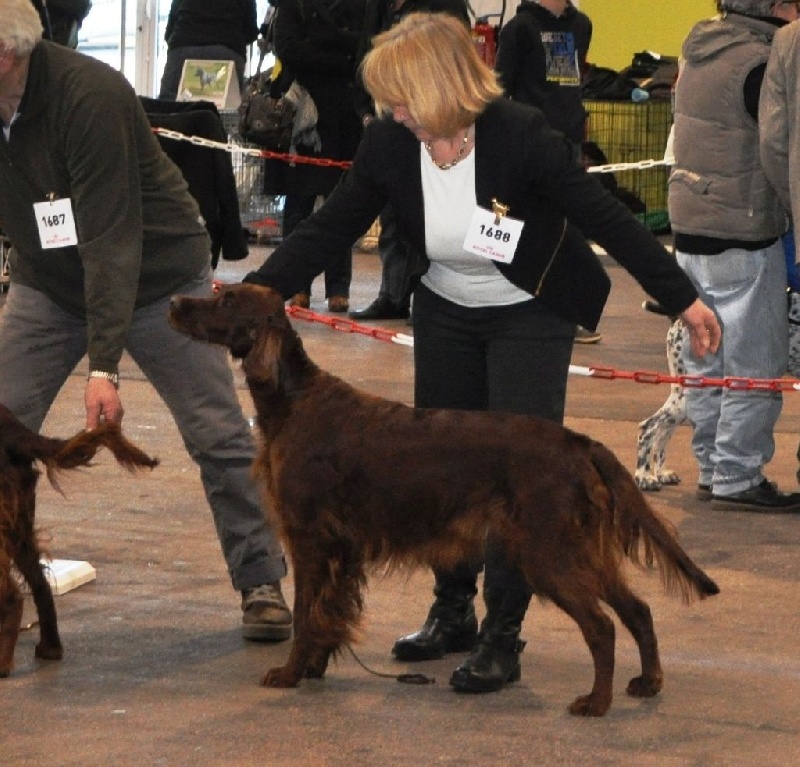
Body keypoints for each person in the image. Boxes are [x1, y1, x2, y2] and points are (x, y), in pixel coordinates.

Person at [243, 13, 721, 694]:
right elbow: (329, 228)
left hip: (530, 310)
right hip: (445, 308)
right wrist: (257, 293)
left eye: (401, 98)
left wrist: (683, 297)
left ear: (439, 87)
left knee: (518, 483)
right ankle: (452, 612)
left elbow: (604, 217)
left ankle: (504, 632)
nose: (392, 111)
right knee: (442, 474)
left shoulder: (519, 135)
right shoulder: (388, 143)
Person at [0, 0, 292, 641]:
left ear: (8, 56)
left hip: (157, 276)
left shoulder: (89, 97)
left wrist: (104, 366)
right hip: (48, 283)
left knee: (218, 434)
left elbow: (112, 239)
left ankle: (261, 577)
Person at [669, 0, 800, 512]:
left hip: (691, 222)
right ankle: (737, 474)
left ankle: (712, 465)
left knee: (706, 354)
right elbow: (776, 147)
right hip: (743, 228)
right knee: (754, 360)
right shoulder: (762, 63)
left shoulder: (700, 46)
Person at [348, 0, 470, 322]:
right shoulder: (376, 8)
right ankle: (395, 293)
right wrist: (366, 112)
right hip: (387, 122)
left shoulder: (446, 6)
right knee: (396, 219)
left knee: (436, 218)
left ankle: (427, 295)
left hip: (438, 120)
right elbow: (363, 60)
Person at [495, 0, 600, 344]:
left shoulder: (582, 24)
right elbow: (501, 86)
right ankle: (509, 303)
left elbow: (570, 81)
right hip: (529, 143)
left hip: (568, 142)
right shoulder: (518, 28)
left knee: (570, 232)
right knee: (522, 226)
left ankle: (573, 312)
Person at [264, 0, 367, 313]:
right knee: (298, 205)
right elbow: (288, 48)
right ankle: (296, 285)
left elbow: (363, 48)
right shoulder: (292, 4)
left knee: (340, 204)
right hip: (303, 118)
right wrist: (339, 54)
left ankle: (339, 288)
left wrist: (319, 47)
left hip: (344, 116)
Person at [158, 0, 258, 101]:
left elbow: (169, 32)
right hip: (226, 51)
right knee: (227, 109)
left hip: (183, 47)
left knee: (167, 107)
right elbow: (251, 32)